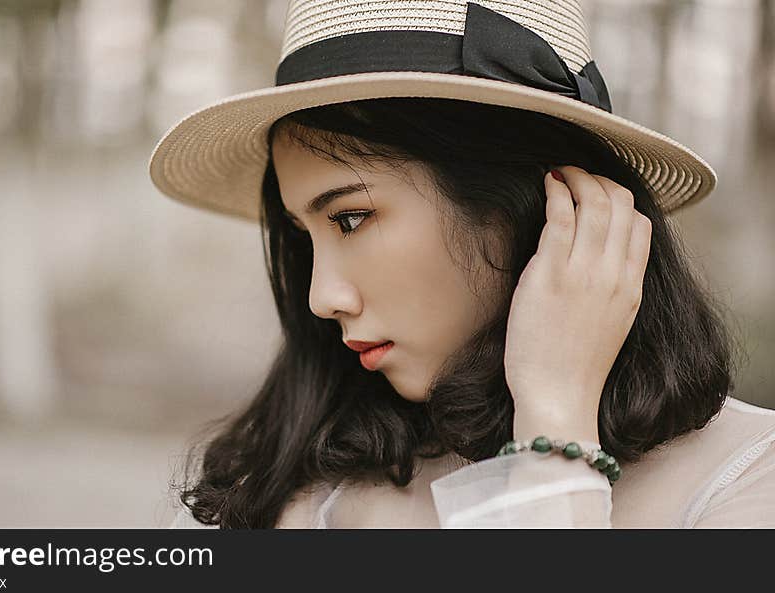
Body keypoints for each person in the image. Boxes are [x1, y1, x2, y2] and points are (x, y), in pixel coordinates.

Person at [149, 1, 775, 528]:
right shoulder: (284, 487)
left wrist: (554, 433)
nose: (321, 296)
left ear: (536, 202)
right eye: (304, 235)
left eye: (349, 219)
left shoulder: (744, 480)